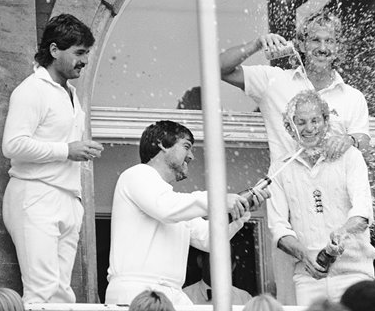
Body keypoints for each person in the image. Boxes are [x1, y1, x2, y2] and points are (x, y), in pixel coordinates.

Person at [220, 9, 371, 303]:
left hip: (342, 227)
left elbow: (362, 140)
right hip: (294, 214)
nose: (323, 47)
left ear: (338, 48)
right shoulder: (275, 81)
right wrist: (256, 45)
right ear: (300, 44)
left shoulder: (352, 96)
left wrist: (349, 138)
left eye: (330, 41)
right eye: (315, 39)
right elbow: (219, 69)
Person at [105, 120, 269, 306]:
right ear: (162, 143)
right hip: (136, 294)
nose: (191, 156)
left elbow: (208, 239)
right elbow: (165, 208)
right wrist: (219, 200)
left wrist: (240, 212)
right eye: (186, 146)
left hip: (172, 295)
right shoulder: (137, 175)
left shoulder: (175, 203)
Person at [1, 13, 104, 303]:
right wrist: (67, 150)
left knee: (62, 296)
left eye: (87, 53)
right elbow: (13, 145)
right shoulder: (31, 89)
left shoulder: (71, 94)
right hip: (35, 195)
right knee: (41, 292)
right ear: (55, 50)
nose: (84, 60)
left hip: (67, 199)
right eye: (79, 52)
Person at [267, 91, 375, 305]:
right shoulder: (280, 168)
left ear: (326, 122)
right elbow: (278, 227)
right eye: (301, 122)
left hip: (355, 274)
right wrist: (303, 256)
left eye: (315, 120)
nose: (309, 128)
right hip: (308, 278)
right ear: (290, 128)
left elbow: (363, 213)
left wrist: (342, 233)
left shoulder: (350, 156)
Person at [182, 247, 252, 305]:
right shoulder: (184, 297)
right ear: (200, 261)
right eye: (214, 259)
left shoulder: (244, 299)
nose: (219, 266)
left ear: (233, 266)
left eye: (225, 261)